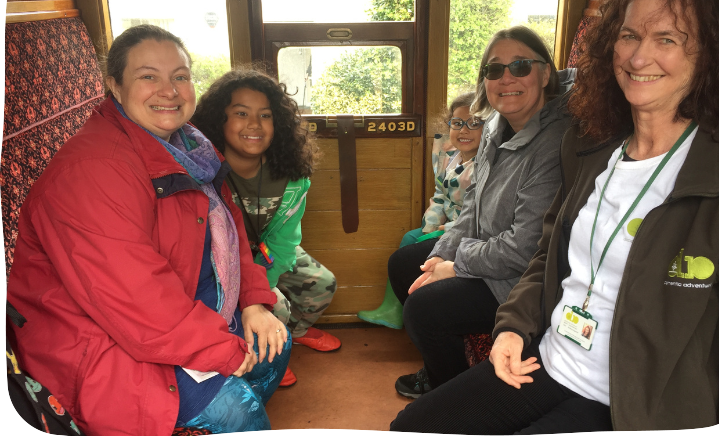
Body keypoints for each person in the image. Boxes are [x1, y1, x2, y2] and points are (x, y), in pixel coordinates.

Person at [390, 0, 719, 433]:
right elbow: (547, 252)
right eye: (628, 36)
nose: (639, 56)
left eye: (667, 38)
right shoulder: (593, 147)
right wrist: (514, 326)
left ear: (712, 50)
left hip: (631, 402)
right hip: (548, 362)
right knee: (411, 428)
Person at [7, 25, 292, 435]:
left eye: (179, 76)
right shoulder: (92, 171)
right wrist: (223, 350)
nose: (169, 91)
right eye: (148, 77)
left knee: (275, 341)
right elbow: (136, 301)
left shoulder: (190, 145)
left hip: (184, 313)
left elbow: (230, 235)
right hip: (106, 345)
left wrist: (252, 301)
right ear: (115, 86)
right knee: (239, 413)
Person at [390, 25, 576, 398]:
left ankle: (454, 395)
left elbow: (525, 250)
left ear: (544, 74)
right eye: (494, 70)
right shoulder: (495, 125)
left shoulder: (555, 144)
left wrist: (456, 263)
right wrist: (442, 251)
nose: (506, 78)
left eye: (520, 66)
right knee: (404, 264)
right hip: (487, 251)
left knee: (423, 309)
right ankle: (440, 366)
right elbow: (472, 201)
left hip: (521, 279)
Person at [192, 69, 340, 387]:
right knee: (277, 304)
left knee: (323, 284)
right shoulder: (203, 172)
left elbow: (285, 242)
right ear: (220, 119)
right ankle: (274, 353)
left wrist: (263, 287)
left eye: (265, 115)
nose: (254, 125)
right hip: (225, 261)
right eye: (241, 113)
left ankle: (294, 334)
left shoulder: (292, 176)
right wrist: (257, 298)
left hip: (271, 253)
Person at [357, 92, 482, 329]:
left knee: (414, 245)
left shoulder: (484, 165)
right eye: (457, 124)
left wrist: (447, 229)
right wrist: (431, 225)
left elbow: (479, 213)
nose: (464, 130)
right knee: (412, 237)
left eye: (474, 124)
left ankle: (403, 308)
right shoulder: (450, 159)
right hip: (446, 225)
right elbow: (440, 196)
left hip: (465, 231)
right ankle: (395, 307)